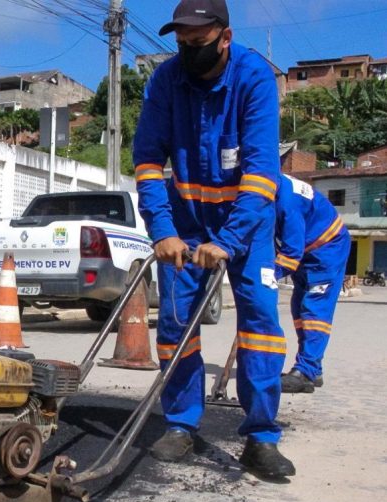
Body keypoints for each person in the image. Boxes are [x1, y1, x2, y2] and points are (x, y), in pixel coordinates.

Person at [133, 0, 294, 477]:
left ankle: (261, 436)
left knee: (260, 326)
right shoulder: (165, 82)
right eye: (181, 43)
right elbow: (147, 162)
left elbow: (263, 173)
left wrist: (229, 239)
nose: (188, 51)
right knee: (176, 327)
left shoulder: (254, 79)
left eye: (198, 43)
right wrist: (162, 229)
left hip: (248, 224)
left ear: (224, 37)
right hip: (184, 223)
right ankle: (182, 424)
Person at [274, 173, 351, 393]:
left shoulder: (287, 202)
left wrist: (266, 277)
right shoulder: (268, 186)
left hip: (327, 248)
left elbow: (290, 253)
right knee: (298, 306)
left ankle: (305, 372)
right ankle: (313, 368)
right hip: (307, 251)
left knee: (314, 309)